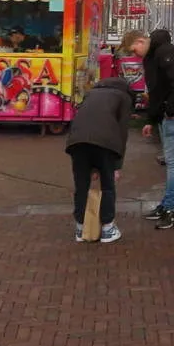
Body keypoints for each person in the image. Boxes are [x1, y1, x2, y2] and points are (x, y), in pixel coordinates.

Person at [126, 28, 174, 230]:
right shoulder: (154, 56)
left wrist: (169, 110)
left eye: (134, 50)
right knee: (172, 161)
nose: (134, 55)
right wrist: (152, 118)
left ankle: (171, 210)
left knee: (173, 161)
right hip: (169, 113)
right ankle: (166, 205)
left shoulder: (166, 53)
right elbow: (156, 91)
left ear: (141, 41)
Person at [66, 75, 135, 244]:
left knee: (81, 185)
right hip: (106, 142)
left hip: (76, 141)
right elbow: (122, 132)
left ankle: (81, 228)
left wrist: (92, 167)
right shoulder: (123, 97)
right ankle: (107, 228)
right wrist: (117, 166)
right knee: (108, 186)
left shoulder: (91, 93)